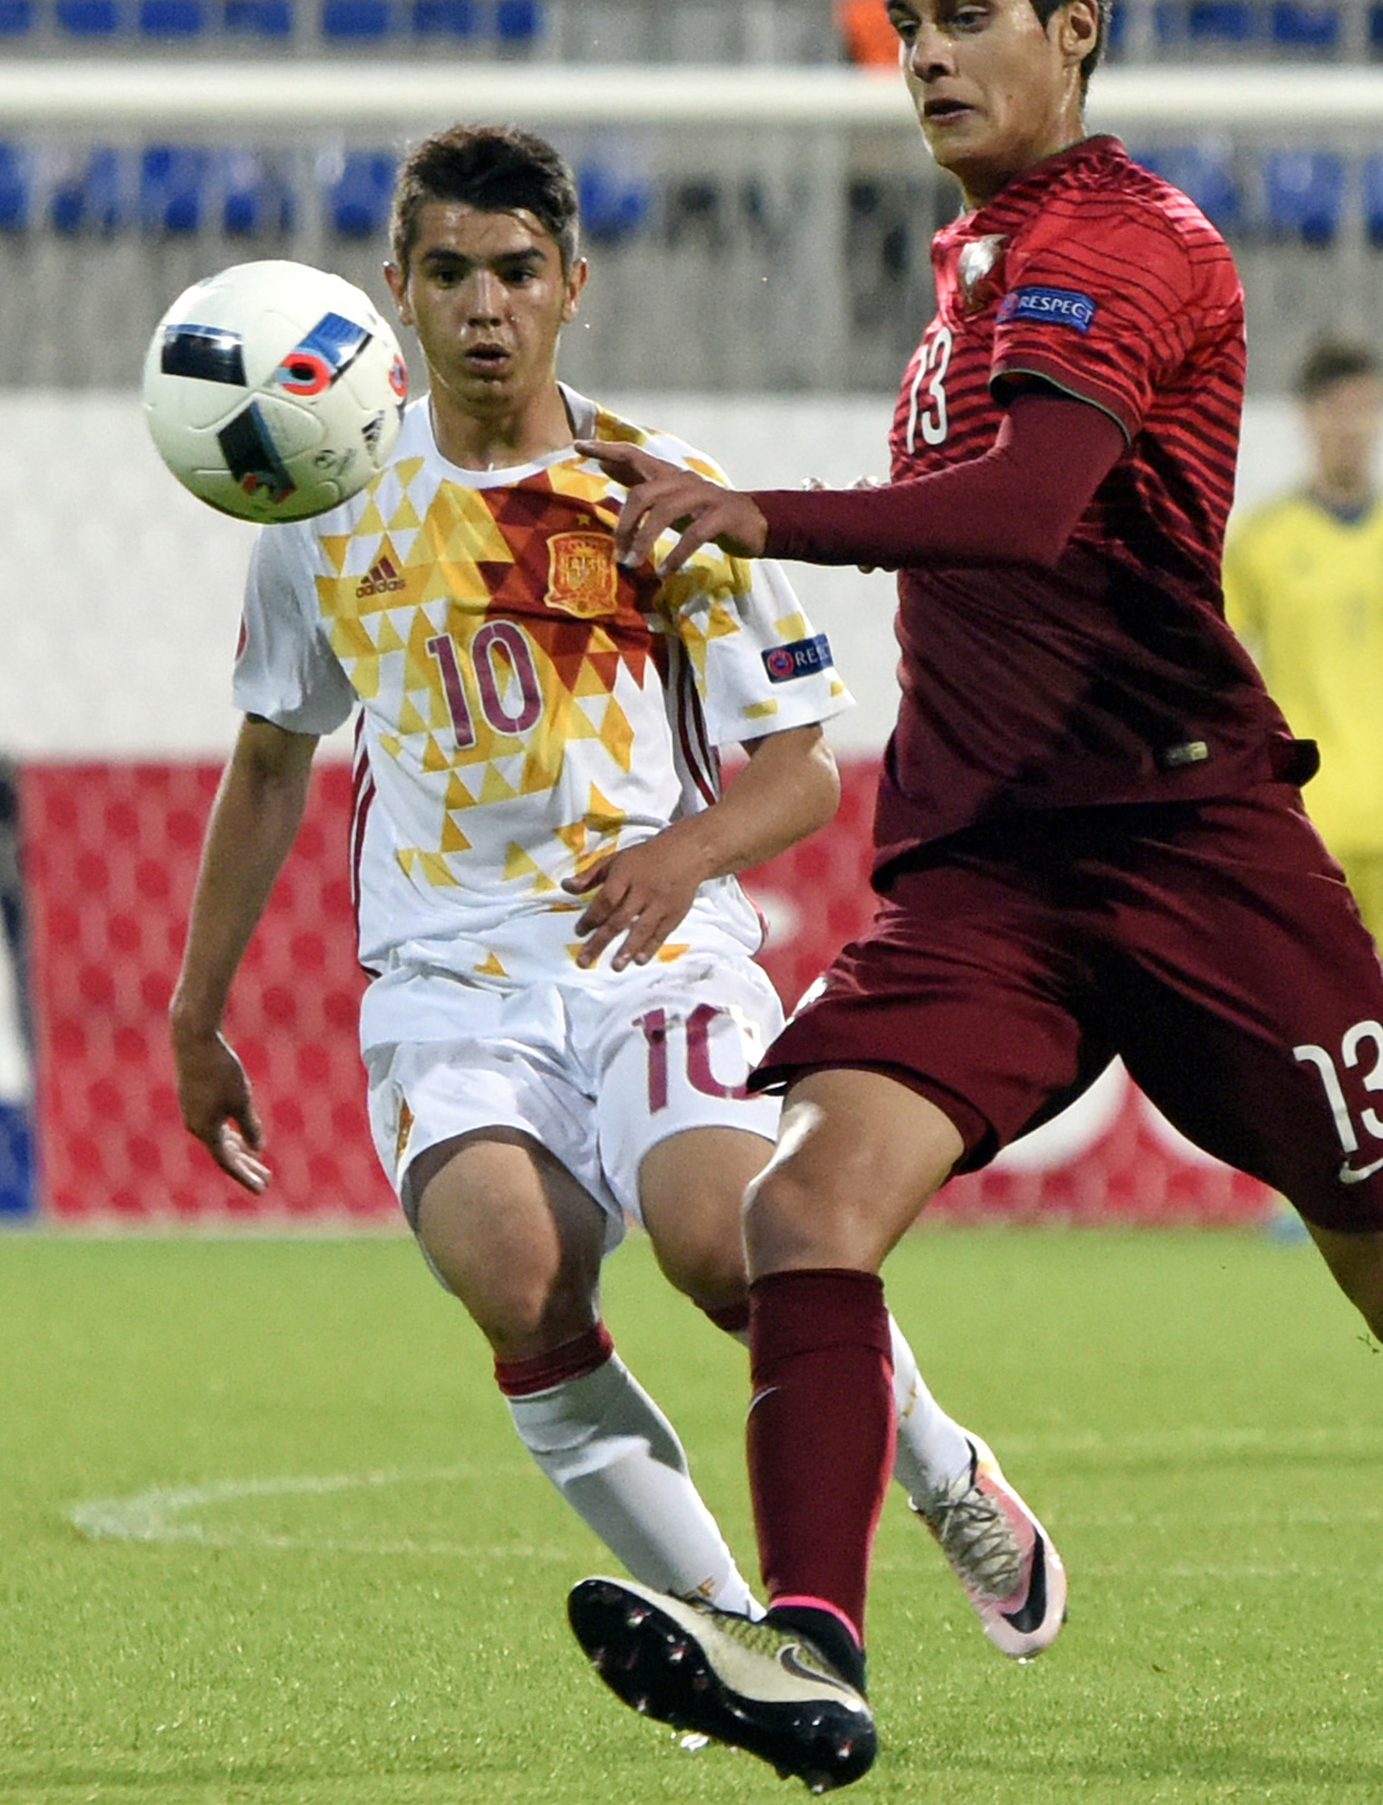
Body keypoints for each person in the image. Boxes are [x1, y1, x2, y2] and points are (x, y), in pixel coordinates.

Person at [565, 0, 1383, 1792]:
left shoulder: (1127, 239)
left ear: (1075, 27)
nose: (927, 55)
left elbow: (1022, 510)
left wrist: (754, 509)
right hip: (990, 873)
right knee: (804, 1207)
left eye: (967, 11)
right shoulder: (968, 263)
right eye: (906, 24)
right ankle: (812, 1645)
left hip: (1197, 857)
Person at [166, 125, 1067, 1688]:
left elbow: (801, 773)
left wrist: (682, 853)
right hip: (445, 976)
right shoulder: (320, 505)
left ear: (573, 286)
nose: (483, 305)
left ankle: (936, 1464)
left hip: (652, 949)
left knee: (728, 1246)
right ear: (397, 292)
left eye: (516, 270)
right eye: (448, 272)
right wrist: (196, 1013)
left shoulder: (656, 488)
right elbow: (267, 761)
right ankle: (748, 1634)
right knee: (516, 1276)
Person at [1224, 336, 1383, 981]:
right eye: (1339, 408)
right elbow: (1224, 669)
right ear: (1308, 417)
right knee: (1296, 985)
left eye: (1368, 409)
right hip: (1304, 812)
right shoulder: (1262, 542)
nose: (1354, 427)